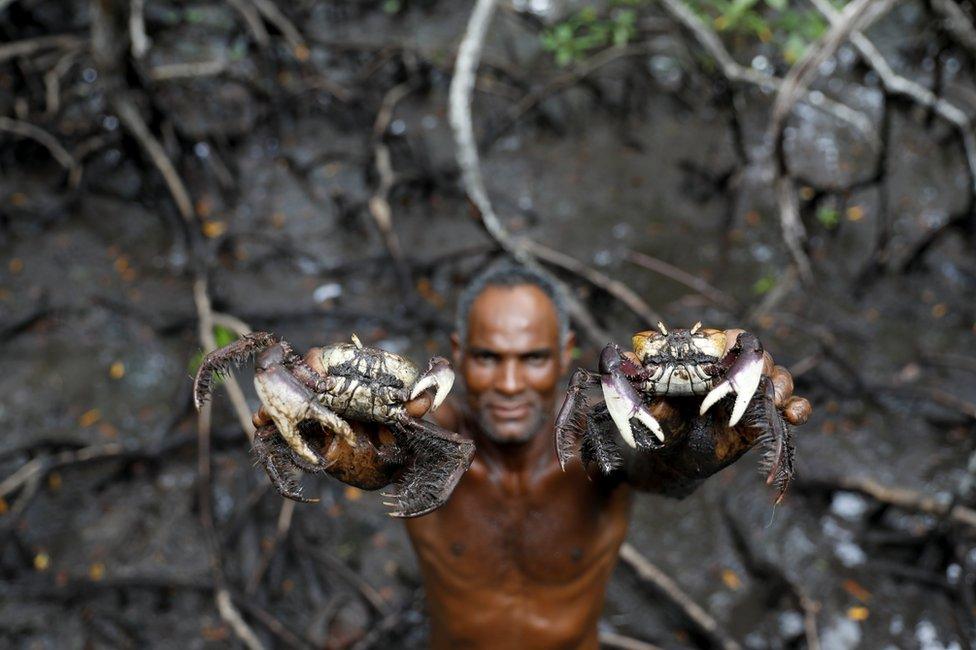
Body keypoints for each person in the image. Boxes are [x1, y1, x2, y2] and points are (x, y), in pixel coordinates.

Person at [257, 260, 811, 648]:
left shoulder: (601, 439)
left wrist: (695, 451)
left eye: (534, 357)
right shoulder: (420, 437)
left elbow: (662, 475)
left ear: (566, 354)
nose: (509, 382)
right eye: (488, 357)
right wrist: (326, 441)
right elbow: (380, 462)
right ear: (456, 356)